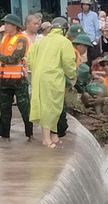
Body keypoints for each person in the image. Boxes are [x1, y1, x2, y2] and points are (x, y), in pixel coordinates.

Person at [27, 17, 77, 148]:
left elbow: (30, 56)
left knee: (51, 106)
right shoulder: (64, 42)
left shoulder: (42, 41)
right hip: (52, 78)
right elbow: (68, 62)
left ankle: (53, 136)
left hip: (39, 77)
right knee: (50, 107)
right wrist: (72, 75)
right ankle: (46, 139)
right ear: (64, 30)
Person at [0, 13, 33, 141]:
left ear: (14, 26)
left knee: (24, 108)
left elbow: (14, 58)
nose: (5, 26)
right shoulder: (4, 38)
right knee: (4, 108)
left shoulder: (21, 39)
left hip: (19, 79)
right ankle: (4, 135)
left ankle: (30, 134)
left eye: (8, 24)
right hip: (5, 79)